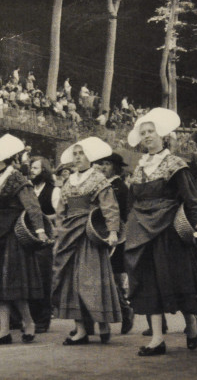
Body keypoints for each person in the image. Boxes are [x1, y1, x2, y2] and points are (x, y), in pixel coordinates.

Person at [124, 108, 197, 356]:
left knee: (176, 279)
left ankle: (191, 323)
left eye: (152, 132)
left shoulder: (175, 164)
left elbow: (192, 199)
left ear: (162, 135)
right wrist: (127, 228)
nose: (147, 136)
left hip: (168, 230)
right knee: (148, 281)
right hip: (141, 231)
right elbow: (131, 202)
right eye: (144, 133)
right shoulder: (138, 168)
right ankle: (157, 339)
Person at [0, 134, 50, 345]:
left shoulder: (16, 179)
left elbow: (32, 206)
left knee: (11, 283)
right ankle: (4, 330)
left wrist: (40, 230)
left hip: (11, 234)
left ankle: (29, 322)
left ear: (3, 157)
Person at [52, 137, 121, 345]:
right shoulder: (67, 181)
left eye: (81, 154)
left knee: (90, 280)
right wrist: (58, 232)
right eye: (75, 154)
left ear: (90, 157)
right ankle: (81, 329)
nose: (77, 158)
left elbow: (109, 206)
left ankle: (102, 323)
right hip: (69, 235)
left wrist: (113, 231)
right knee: (70, 281)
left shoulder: (98, 179)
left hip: (90, 234)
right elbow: (60, 211)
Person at [96, 152, 134, 335]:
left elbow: (123, 214)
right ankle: (123, 309)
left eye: (107, 164)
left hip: (117, 237)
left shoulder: (120, 188)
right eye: (101, 164)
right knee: (110, 276)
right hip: (104, 235)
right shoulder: (106, 186)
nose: (103, 167)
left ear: (116, 167)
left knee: (112, 276)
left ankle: (125, 310)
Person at [28, 156, 59, 333]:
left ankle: (43, 318)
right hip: (28, 237)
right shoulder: (29, 189)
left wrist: (42, 219)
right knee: (29, 277)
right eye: (31, 168)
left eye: (36, 168)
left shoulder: (53, 191)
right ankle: (29, 317)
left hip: (46, 239)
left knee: (43, 278)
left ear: (44, 171)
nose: (32, 171)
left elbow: (61, 214)